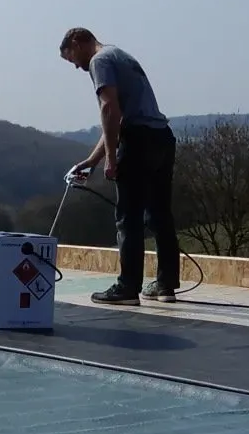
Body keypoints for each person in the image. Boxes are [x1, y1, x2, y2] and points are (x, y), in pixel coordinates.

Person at [60, 27, 180, 302]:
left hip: (138, 141)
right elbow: (117, 117)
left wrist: (112, 160)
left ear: (77, 43)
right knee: (160, 215)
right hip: (161, 137)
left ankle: (127, 288)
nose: (77, 66)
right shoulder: (120, 55)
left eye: (72, 59)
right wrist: (93, 160)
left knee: (128, 217)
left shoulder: (99, 61)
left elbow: (109, 110)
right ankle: (166, 285)